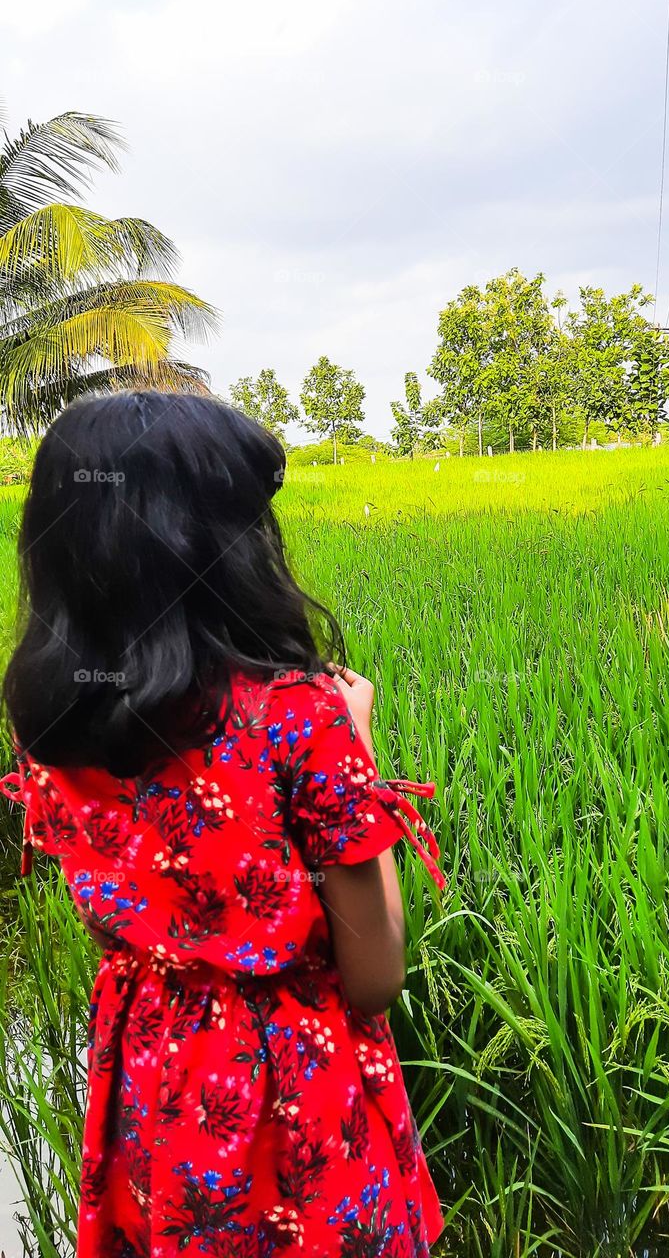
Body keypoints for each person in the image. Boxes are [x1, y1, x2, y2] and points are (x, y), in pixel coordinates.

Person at [0, 391, 446, 1258]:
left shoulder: (51, 721)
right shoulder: (299, 716)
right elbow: (375, 976)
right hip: (296, 1094)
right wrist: (355, 749)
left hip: (152, 1081)